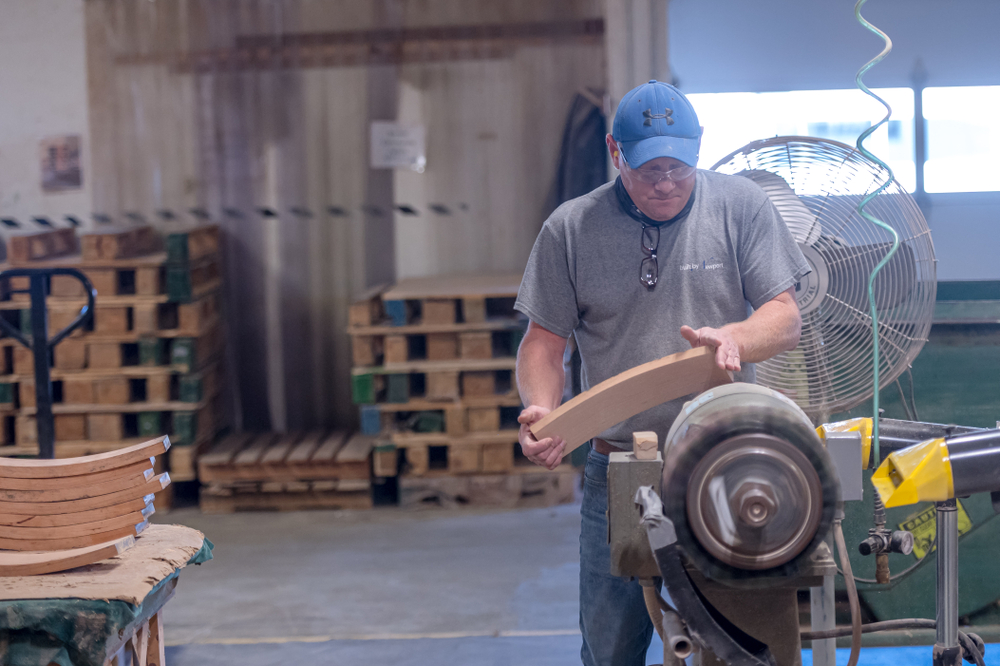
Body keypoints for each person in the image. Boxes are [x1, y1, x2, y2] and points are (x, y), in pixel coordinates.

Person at [513, 80, 810, 666]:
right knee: (610, 646)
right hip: (618, 467)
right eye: (649, 170)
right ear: (614, 152)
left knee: (742, 645)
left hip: (725, 460)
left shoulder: (741, 206)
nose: (666, 184)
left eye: (679, 168)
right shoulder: (571, 229)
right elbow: (543, 344)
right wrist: (545, 412)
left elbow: (785, 317)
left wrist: (735, 337)